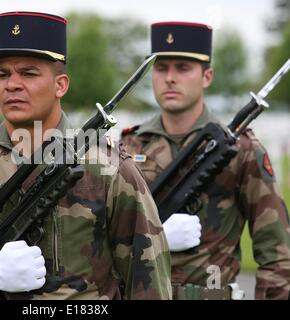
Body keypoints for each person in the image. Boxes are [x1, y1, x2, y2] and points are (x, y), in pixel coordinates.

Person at [0, 11, 172, 300]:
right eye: (4, 74)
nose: (12, 84)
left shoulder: (110, 169)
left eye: (28, 73)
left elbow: (149, 287)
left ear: (60, 85)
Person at [121, 21, 290, 300]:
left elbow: (276, 253)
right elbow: (105, 240)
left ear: (207, 76)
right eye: (161, 68)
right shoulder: (127, 147)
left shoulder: (242, 149)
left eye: (183, 68)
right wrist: (156, 235)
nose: (170, 78)